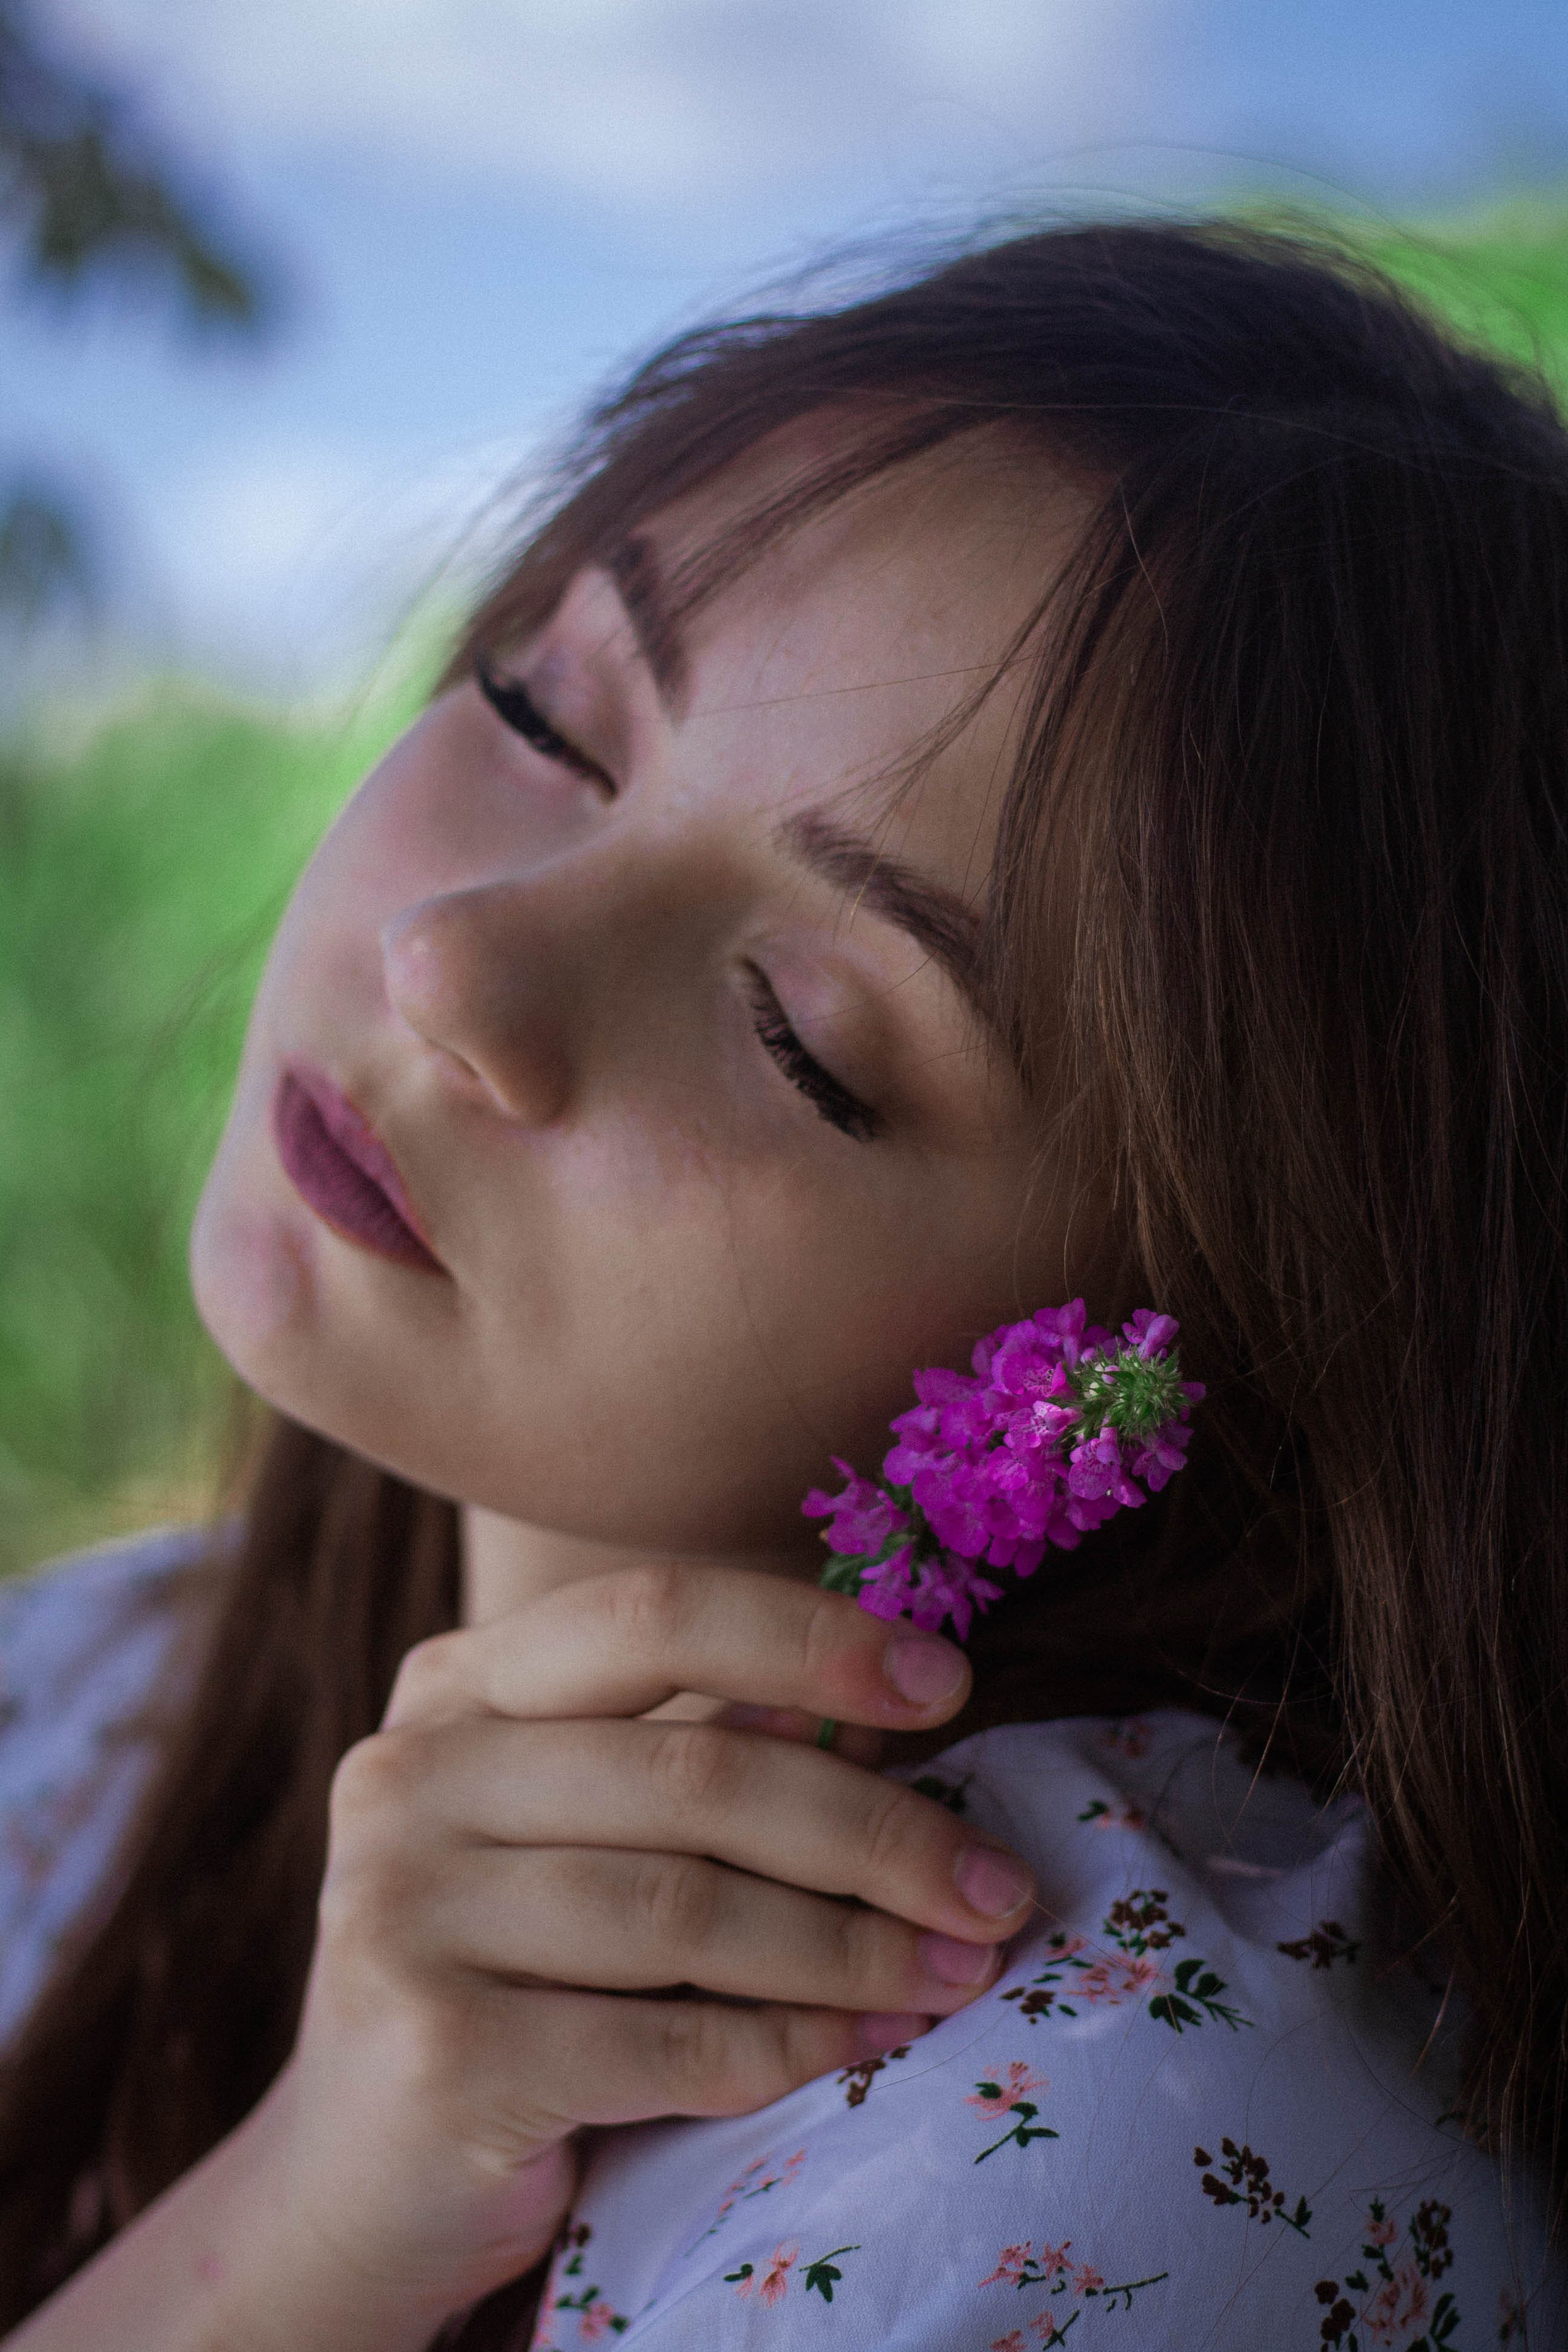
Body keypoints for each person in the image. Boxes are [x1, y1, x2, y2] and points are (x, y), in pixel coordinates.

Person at [0, 217, 1563, 2350]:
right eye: (550, 716)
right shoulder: (91, 1692)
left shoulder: (1096, 2162)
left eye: (799, 1035)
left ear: (1143, 1392)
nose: (454, 965)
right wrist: (300, 2200)